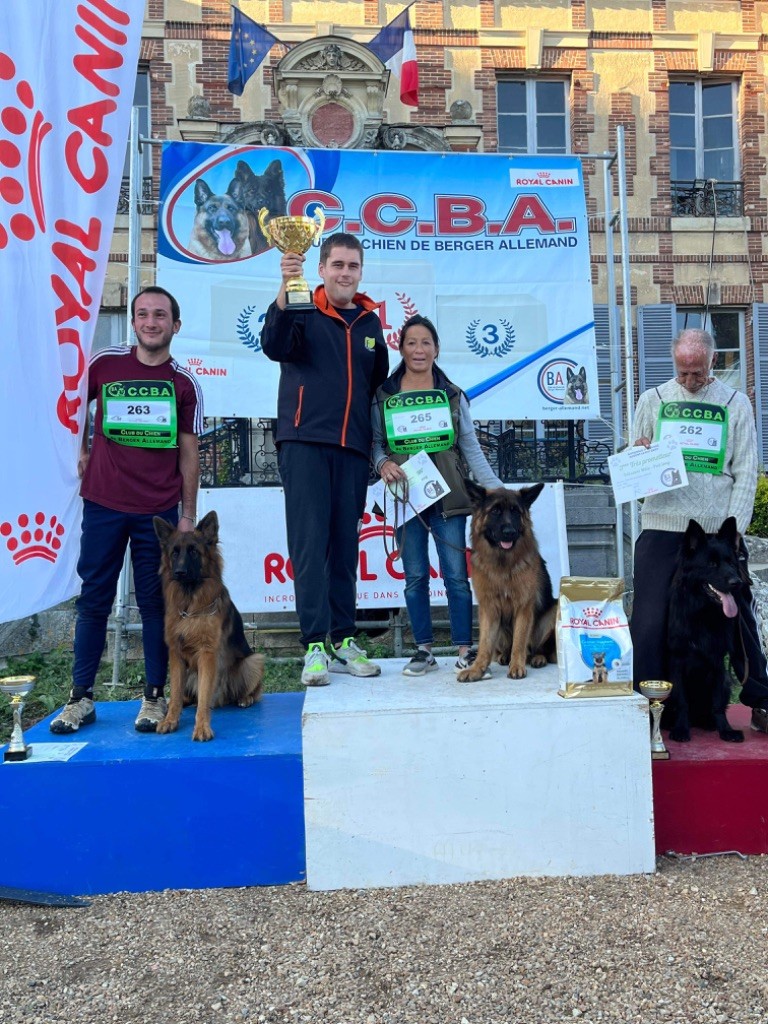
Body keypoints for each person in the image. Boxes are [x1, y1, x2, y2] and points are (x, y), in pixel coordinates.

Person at [50, 286, 204, 734]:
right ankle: (80, 699)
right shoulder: (105, 364)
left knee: (156, 605)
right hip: (103, 503)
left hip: (157, 514)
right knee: (94, 600)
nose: (150, 322)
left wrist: (188, 516)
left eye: (160, 315)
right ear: (134, 322)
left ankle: (154, 697)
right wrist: (80, 448)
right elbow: (74, 406)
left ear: (175, 325)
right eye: (142, 314)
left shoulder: (185, 383)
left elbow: (190, 453)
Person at [261, 232, 390, 686]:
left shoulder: (371, 324)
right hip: (303, 442)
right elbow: (275, 344)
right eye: (337, 265)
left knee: (344, 547)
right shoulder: (301, 305)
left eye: (353, 266)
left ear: (361, 271)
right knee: (310, 546)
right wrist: (284, 287)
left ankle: (343, 638)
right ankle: (315, 643)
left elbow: (379, 388)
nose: (345, 273)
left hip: (352, 449)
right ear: (321, 269)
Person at [630, 327, 768, 732]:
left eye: (698, 372)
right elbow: (634, 471)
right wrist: (637, 456)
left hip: (716, 529)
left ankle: (759, 698)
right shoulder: (652, 400)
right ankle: (649, 705)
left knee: (737, 614)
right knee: (650, 618)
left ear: (713, 363)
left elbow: (746, 470)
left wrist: (735, 530)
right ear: (675, 363)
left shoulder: (735, 402)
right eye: (683, 371)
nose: (690, 381)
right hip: (662, 522)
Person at [371, 314, 504, 676]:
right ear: (401, 348)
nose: (419, 349)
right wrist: (383, 464)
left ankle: (465, 647)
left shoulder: (452, 394)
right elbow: (375, 444)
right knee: (414, 576)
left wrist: (495, 489)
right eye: (411, 342)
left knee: (457, 576)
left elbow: (471, 447)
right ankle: (423, 650)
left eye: (426, 342)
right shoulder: (384, 395)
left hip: (449, 497)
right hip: (406, 497)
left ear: (437, 349)